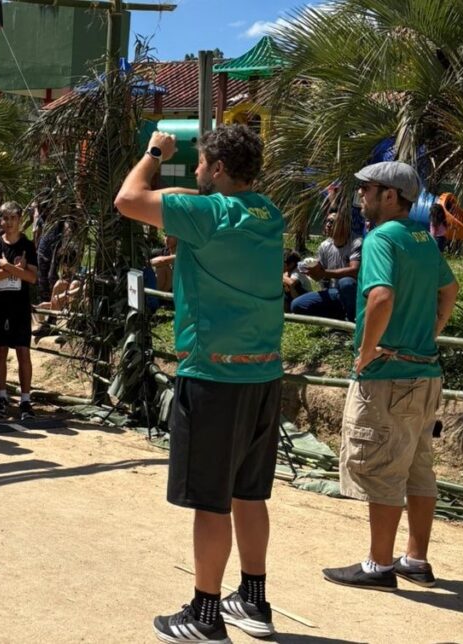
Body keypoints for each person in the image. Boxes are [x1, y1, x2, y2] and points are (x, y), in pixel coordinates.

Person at [115, 124, 284, 643]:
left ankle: (206, 614)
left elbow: (128, 199)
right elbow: (194, 197)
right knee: (248, 494)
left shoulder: (207, 216)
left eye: (202, 163)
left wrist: (154, 152)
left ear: (220, 168)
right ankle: (253, 600)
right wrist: (189, 191)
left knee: (211, 501)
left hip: (214, 376)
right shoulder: (267, 213)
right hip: (262, 374)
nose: (195, 170)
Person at [322, 162, 459, 592]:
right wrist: (430, 332)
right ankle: (415, 560)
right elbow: (449, 289)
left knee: (381, 468)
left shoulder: (381, 239)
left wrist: (366, 353)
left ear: (390, 195)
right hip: (426, 372)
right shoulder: (422, 238)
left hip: (387, 375)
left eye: (367, 189)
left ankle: (379, 565)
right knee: (418, 468)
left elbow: (380, 297)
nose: (361, 197)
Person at [0, 201, 38, 420]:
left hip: (20, 306)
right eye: (5, 218)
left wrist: (7, 267)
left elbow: (32, 277)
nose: (8, 223)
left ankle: (25, 400)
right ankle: (1, 397)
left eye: (12, 218)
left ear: (20, 220)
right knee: (0, 351)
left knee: (22, 352)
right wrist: (16, 270)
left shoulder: (28, 245)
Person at [289, 211, 361, 321]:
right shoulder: (324, 246)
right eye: (326, 221)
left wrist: (323, 272)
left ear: (344, 225)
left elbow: (354, 270)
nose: (328, 225)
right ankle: (339, 318)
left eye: (332, 222)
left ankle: (351, 322)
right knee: (297, 305)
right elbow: (319, 277)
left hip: (354, 293)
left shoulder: (356, 242)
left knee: (346, 282)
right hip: (333, 292)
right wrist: (312, 271)